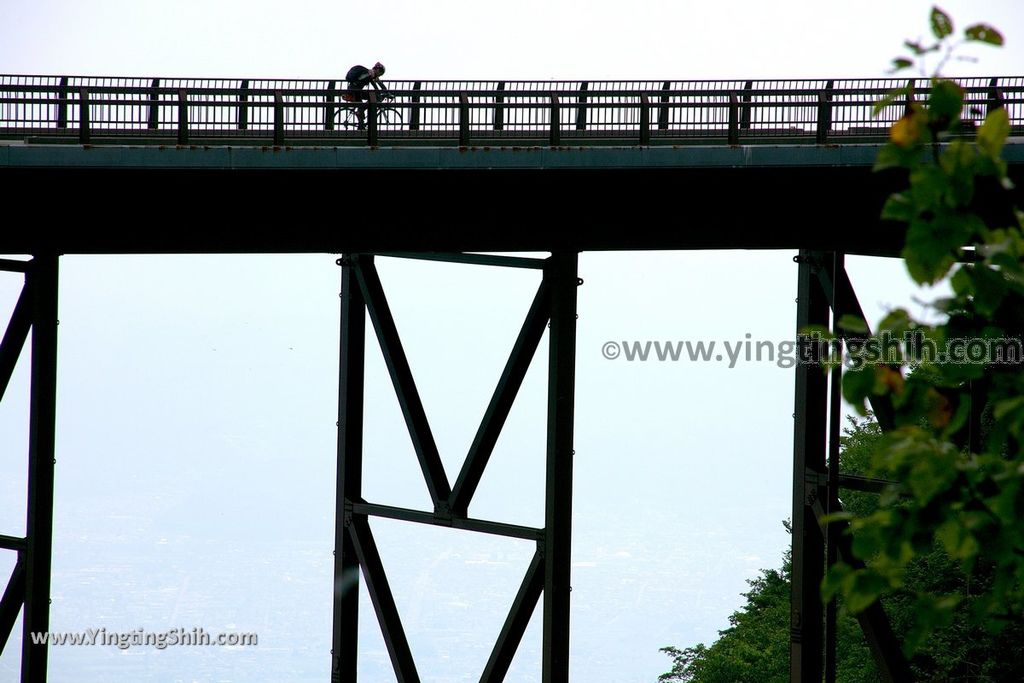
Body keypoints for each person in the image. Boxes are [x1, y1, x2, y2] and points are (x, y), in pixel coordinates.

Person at [343, 62, 391, 130]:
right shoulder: (370, 74)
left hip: (355, 90)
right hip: (355, 91)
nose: (380, 76)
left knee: (368, 99)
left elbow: (377, 86)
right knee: (362, 106)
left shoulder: (370, 74)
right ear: (377, 70)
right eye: (380, 73)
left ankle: (361, 121)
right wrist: (383, 93)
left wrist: (385, 92)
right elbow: (375, 87)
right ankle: (361, 125)